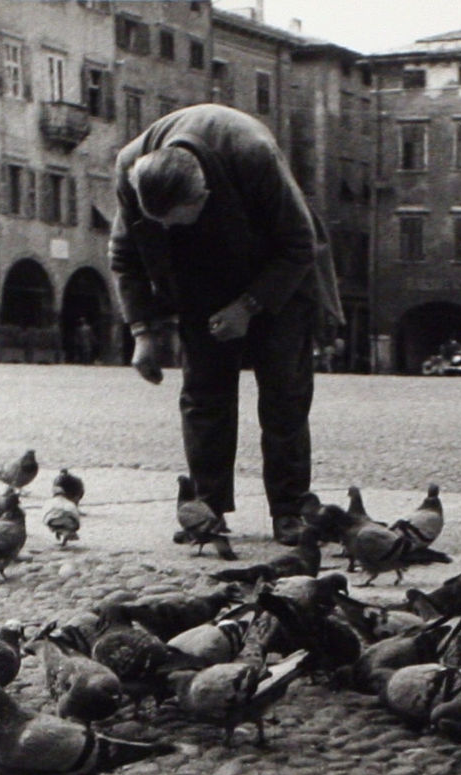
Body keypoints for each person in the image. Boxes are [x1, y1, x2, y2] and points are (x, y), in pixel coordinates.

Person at [109, 103, 343, 545]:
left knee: (284, 396)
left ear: (203, 195)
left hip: (279, 272)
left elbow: (299, 243)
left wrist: (249, 306)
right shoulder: (130, 166)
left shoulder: (251, 152)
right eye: (161, 225)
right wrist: (142, 332)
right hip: (200, 284)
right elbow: (125, 256)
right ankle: (207, 510)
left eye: (178, 222)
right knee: (203, 396)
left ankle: (289, 510)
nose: (170, 231)